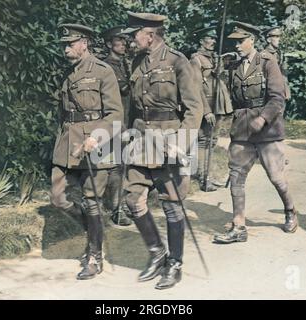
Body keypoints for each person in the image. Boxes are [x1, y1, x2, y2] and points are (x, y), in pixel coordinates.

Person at [122, 11, 203, 289]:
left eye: (135, 35)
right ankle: (157, 253)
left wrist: (181, 143)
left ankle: (175, 264)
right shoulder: (137, 61)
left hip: (170, 141)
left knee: (171, 206)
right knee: (133, 200)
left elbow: (195, 108)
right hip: (141, 141)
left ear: (150, 35)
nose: (132, 40)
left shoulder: (177, 61)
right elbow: (132, 106)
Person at [213, 22, 298, 244]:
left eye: (241, 41)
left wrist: (263, 118)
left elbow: (278, 98)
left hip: (268, 130)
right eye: (234, 42)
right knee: (236, 177)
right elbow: (222, 89)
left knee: (277, 178)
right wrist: (219, 67)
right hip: (242, 128)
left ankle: (290, 210)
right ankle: (239, 226)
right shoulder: (232, 65)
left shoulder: (268, 63)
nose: (237, 45)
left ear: (252, 40)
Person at [50, 23, 123, 279]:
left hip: (96, 146)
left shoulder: (103, 71)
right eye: (63, 45)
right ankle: (93, 233)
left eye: (69, 44)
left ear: (84, 42)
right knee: (58, 197)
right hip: (69, 144)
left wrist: (97, 137)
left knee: (92, 201)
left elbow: (116, 115)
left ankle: (95, 256)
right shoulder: (68, 74)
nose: (65, 49)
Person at [190, 26, 233, 191]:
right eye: (210, 38)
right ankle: (203, 177)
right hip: (206, 105)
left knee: (213, 141)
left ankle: (209, 175)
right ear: (201, 41)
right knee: (203, 141)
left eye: (215, 38)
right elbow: (196, 87)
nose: (213, 41)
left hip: (219, 104)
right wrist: (206, 110)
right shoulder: (196, 60)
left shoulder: (215, 58)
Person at [101, 25, 133, 226]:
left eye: (124, 41)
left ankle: (120, 203)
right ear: (108, 44)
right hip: (115, 122)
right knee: (116, 165)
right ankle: (116, 209)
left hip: (128, 119)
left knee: (126, 163)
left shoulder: (125, 64)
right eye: (118, 41)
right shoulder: (107, 66)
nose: (123, 44)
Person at [262, 26, 291, 100]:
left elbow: (283, 75)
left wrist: (286, 92)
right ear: (269, 39)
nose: (280, 39)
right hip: (268, 95)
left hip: (280, 94)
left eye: (280, 36)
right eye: (277, 37)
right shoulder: (263, 56)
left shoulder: (279, 55)